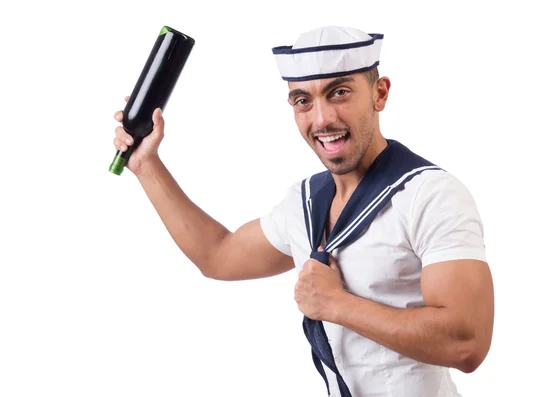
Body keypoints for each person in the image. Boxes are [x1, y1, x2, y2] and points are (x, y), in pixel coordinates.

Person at [112, 26, 494, 397]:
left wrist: (336, 304)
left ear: (380, 94)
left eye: (339, 92)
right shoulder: (305, 202)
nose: (322, 118)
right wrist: (147, 166)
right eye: (303, 101)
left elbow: (467, 343)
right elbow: (218, 255)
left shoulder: (431, 195)